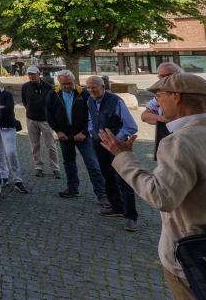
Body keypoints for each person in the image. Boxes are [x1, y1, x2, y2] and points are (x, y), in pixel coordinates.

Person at [99, 73, 206, 300]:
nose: (157, 103)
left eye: (160, 96)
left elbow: (162, 198)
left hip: (192, 258)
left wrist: (124, 158)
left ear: (176, 97)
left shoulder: (178, 141)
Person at [85, 76, 140, 231]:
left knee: (123, 180)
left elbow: (131, 126)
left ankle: (131, 217)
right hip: (99, 144)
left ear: (102, 86)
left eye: (93, 87)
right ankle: (117, 207)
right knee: (108, 176)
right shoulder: (90, 100)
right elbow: (90, 119)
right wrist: (92, 132)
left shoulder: (116, 101)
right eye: (88, 87)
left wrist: (116, 140)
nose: (90, 90)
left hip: (117, 146)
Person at [45, 71, 107, 205]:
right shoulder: (53, 94)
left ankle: (102, 194)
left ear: (74, 81)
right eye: (63, 84)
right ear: (59, 83)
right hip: (64, 135)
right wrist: (58, 131)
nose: (66, 86)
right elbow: (49, 114)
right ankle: (73, 188)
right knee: (69, 163)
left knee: (92, 164)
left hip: (83, 136)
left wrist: (84, 132)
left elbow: (92, 115)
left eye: (69, 83)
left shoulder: (83, 93)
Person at [0, 74, 28, 194]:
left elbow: (9, 109)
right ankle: (3, 176)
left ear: (0, 81)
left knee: (11, 152)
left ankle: (17, 179)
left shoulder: (7, 94)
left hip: (8, 125)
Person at [22, 65, 61, 178]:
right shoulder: (25, 87)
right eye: (29, 74)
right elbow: (25, 101)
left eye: (33, 74)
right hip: (31, 119)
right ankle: (38, 166)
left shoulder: (48, 86)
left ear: (39, 74)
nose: (31, 76)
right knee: (35, 145)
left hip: (46, 120)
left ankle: (55, 167)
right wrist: (30, 109)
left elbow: (53, 103)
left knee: (51, 145)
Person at [141, 62, 183, 156]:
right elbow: (144, 116)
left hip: (183, 140)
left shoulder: (185, 93)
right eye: (162, 76)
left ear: (179, 75)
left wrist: (157, 118)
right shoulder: (158, 95)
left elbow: (181, 118)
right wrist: (166, 119)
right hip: (164, 139)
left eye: (169, 75)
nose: (165, 78)